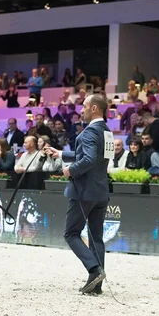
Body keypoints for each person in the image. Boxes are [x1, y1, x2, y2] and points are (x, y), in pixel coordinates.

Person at [46, 94, 109, 295]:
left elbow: (88, 159)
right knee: (96, 237)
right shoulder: (106, 132)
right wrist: (62, 154)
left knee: (71, 233)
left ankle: (94, 270)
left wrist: (70, 170)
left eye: (84, 106)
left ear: (94, 109)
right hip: (100, 191)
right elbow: (96, 157)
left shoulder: (88, 133)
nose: (81, 109)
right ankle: (96, 285)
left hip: (84, 191)